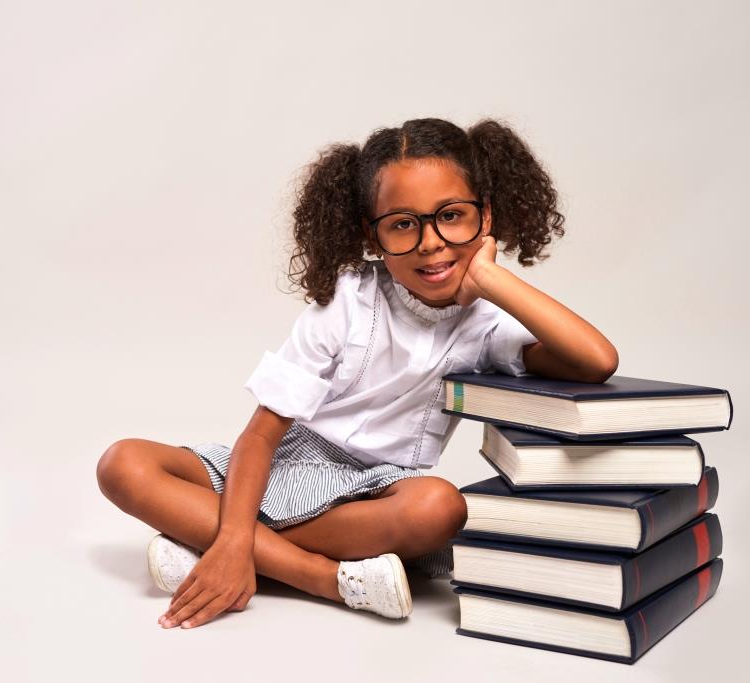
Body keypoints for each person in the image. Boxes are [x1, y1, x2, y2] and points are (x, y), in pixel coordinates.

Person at [96, 117, 619, 630]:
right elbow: (259, 436)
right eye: (402, 224)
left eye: (452, 216)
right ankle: (320, 577)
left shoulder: (487, 325)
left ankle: (207, 544)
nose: (430, 242)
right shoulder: (349, 298)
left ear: (486, 216)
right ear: (372, 234)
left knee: (439, 508)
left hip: (377, 495)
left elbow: (596, 361)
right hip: (287, 465)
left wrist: (489, 277)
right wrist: (234, 537)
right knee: (123, 464)